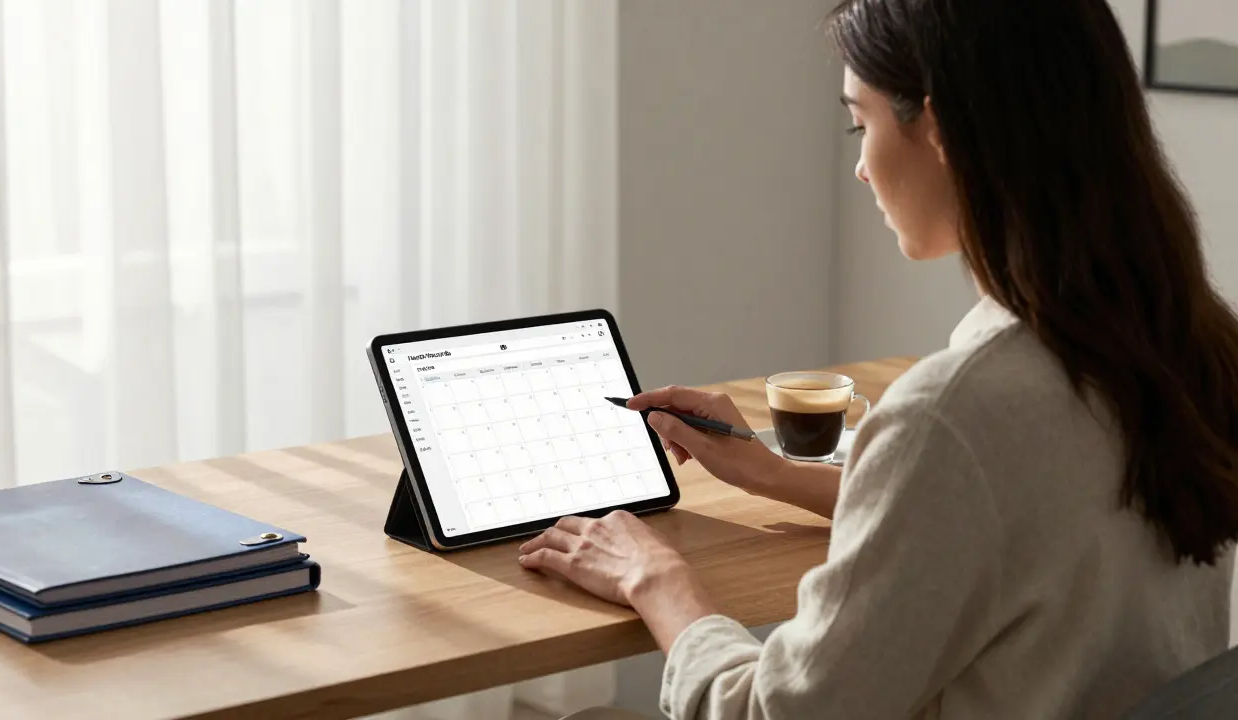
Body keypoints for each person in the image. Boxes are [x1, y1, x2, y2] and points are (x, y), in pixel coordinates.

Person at [524, 0, 1238, 718]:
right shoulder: (1181, 345)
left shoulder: (957, 415)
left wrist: (657, 579)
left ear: (940, 130)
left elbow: (774, 713)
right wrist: (774, 474)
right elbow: (999, 521)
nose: (861, 168)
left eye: (859, 124)